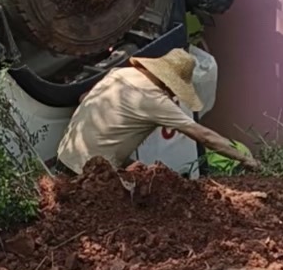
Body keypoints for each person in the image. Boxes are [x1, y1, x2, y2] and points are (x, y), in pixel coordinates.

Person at [55, 48, 259, 175]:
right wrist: (244, 159)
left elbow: (85, 98)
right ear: (169, 84)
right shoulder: (154, 99)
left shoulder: (119, 73)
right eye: (174, 91)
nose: (173, 97)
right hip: (88, 175)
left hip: (64, 159)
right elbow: (203, 135)